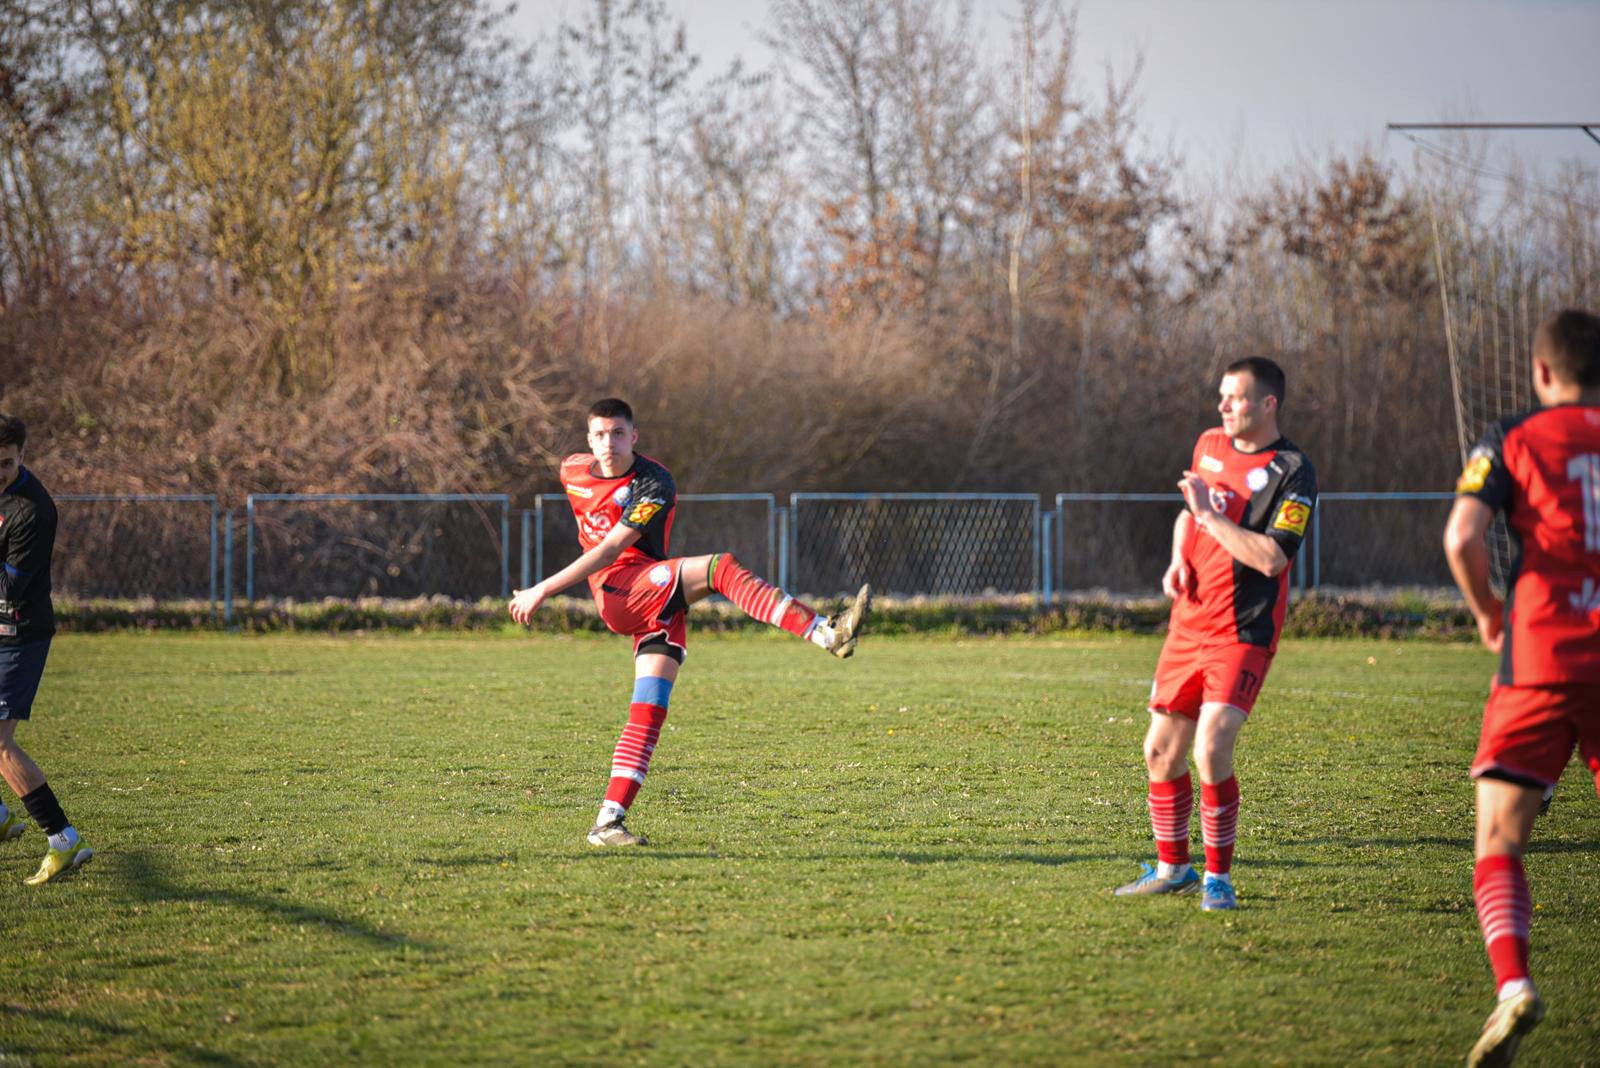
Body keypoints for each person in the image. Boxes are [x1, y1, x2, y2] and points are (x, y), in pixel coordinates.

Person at [509, 398, 871, 846]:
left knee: (649, 711)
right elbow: (605, 554)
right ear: (588, 439)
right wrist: (541, 590)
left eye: (618, 433)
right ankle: (825, 632)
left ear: (634, 436)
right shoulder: (572, 470)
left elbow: (613, 544)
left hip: (651, 595)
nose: (609, 443)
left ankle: (607, 822)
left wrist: (543, 588)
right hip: (620, 593)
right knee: (720, 568)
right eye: (600, 434)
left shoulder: (653, 482)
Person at [1443, 307, 1600, 1068]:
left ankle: (1513, 985)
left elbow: (1461, 536)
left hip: (1540, 656)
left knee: (1500, 838)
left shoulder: (1512, 435)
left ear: (1541, 371)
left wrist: (1486, 612)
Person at [1113, 358, 1317, 911]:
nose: (1224, 406)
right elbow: (1189, 517)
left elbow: (1271, 558)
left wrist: (1210, 517)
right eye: (1222, 396)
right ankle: (1173, 869)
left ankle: (1218, 879)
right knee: (1159, 752)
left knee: (1211, 746)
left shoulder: (1294, 471)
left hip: (1242, 629)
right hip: (1189, 622)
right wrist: (1179, 557)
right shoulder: (1208, 444)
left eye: (1236, 397)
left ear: (1268, 404)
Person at [0, 416, 93, 885]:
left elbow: (8, 590)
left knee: (0, 743)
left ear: (21, 457)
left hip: (18, 634)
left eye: (5, 463)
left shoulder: (32, 513)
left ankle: (63, 839)